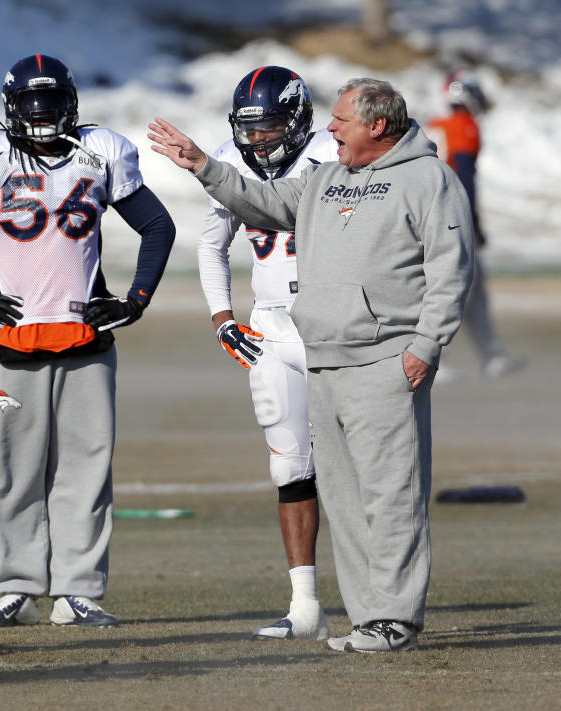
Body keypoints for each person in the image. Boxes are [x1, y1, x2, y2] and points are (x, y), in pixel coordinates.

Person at [149, 77, 474, 653]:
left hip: (385, 358)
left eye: (341, 121)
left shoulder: (429, 179)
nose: (330, 130)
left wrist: (426, 345)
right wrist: (203, 166)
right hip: (323, 359)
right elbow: (265, 204)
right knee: (345, 498)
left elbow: (452, 267)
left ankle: (396, 620)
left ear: (377, 126)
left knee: (391, 494)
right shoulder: (326, 178)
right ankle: (368, 618)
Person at [0, 53, 175, 628]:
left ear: (71, 104)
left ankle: (78, 590)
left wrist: (135, 300)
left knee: (86, 469)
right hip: (12, 339)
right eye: (30, 106)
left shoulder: (101, 151)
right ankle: (17, 585)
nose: (41, 116)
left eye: (51, 104)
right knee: (10, 471)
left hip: (86, 338)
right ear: (10, 107)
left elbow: (158, 226)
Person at [197, 66, 338, 641]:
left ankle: (379, 595)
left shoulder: (334, 154)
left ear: (299, 117)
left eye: (270, 127)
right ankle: (305, 603)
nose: (258, 142)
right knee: (289, 465)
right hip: (272, 331)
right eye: (249, 130)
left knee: (358, 466)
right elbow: (211, 244)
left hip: (334, 328)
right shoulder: (234, 164)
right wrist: (221, 317)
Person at [426, 70, 524, 380]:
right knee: (457, 290)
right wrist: (474, 225)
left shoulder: (435, 125)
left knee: (474, 289)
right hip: (450, 217)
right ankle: (431, 356)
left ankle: (492, 354)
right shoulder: (463, 127)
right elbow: (464, 179)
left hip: (431, 213)